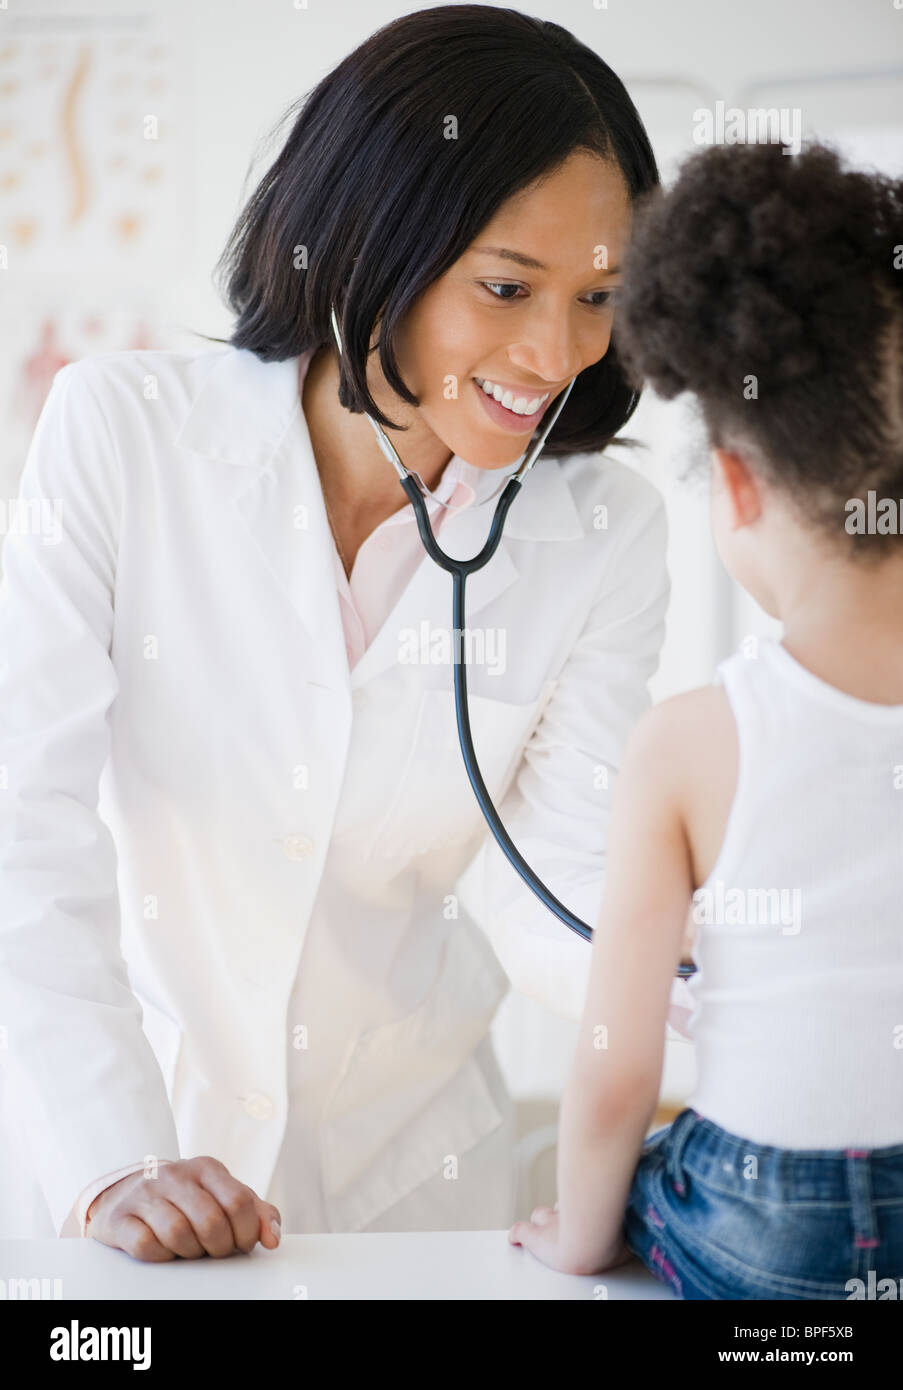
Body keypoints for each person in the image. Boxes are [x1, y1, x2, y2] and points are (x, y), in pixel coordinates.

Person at [0, 6, 683, 1256]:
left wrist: (735, 1019)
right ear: (373, 236)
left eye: (599, 296)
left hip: (410, 1168)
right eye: (506, 286)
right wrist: (108, 1154)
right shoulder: (119, 434)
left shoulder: (607, 529)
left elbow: (562, 884)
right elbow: (22, 832)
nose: (558, 351)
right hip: (117, 1144)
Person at [510, 139, 903, 1299]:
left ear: (734, 487)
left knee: (653, 1164)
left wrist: (583, 1243)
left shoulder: (690, 741)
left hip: (759, 1220)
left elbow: (615, 1067)